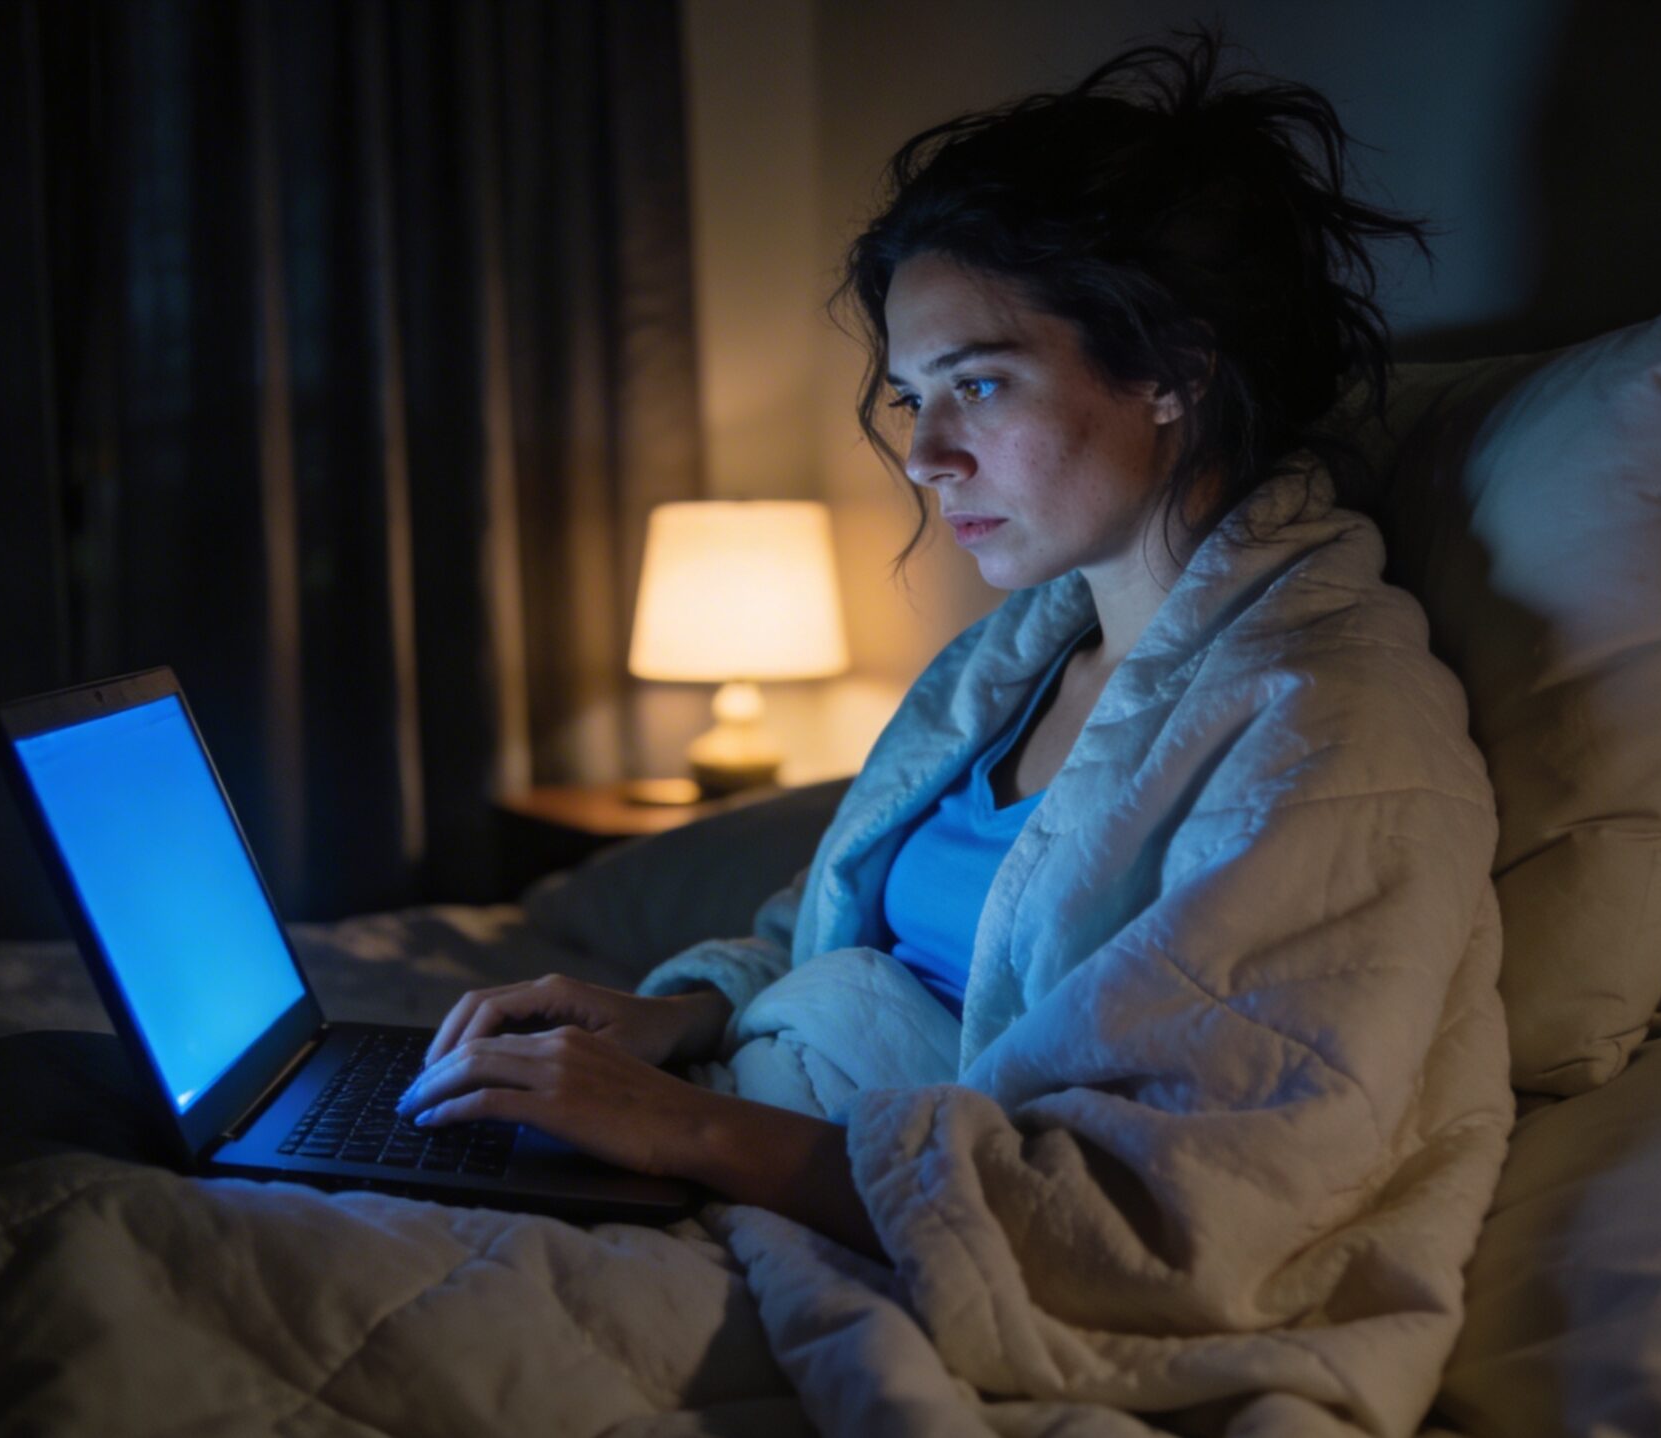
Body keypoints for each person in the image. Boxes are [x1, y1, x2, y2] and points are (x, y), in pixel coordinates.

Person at [400, 36, 1510, 1422]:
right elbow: (834, 932)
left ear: (1172, 365)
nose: (924, 454)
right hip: (779, 1124)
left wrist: (681, 1123)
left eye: (977, 382)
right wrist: (674, 1015)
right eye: (913, 395)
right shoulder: (1019, 655)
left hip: (891, 1222)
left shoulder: (1330, 726)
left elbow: (1176, 1209)